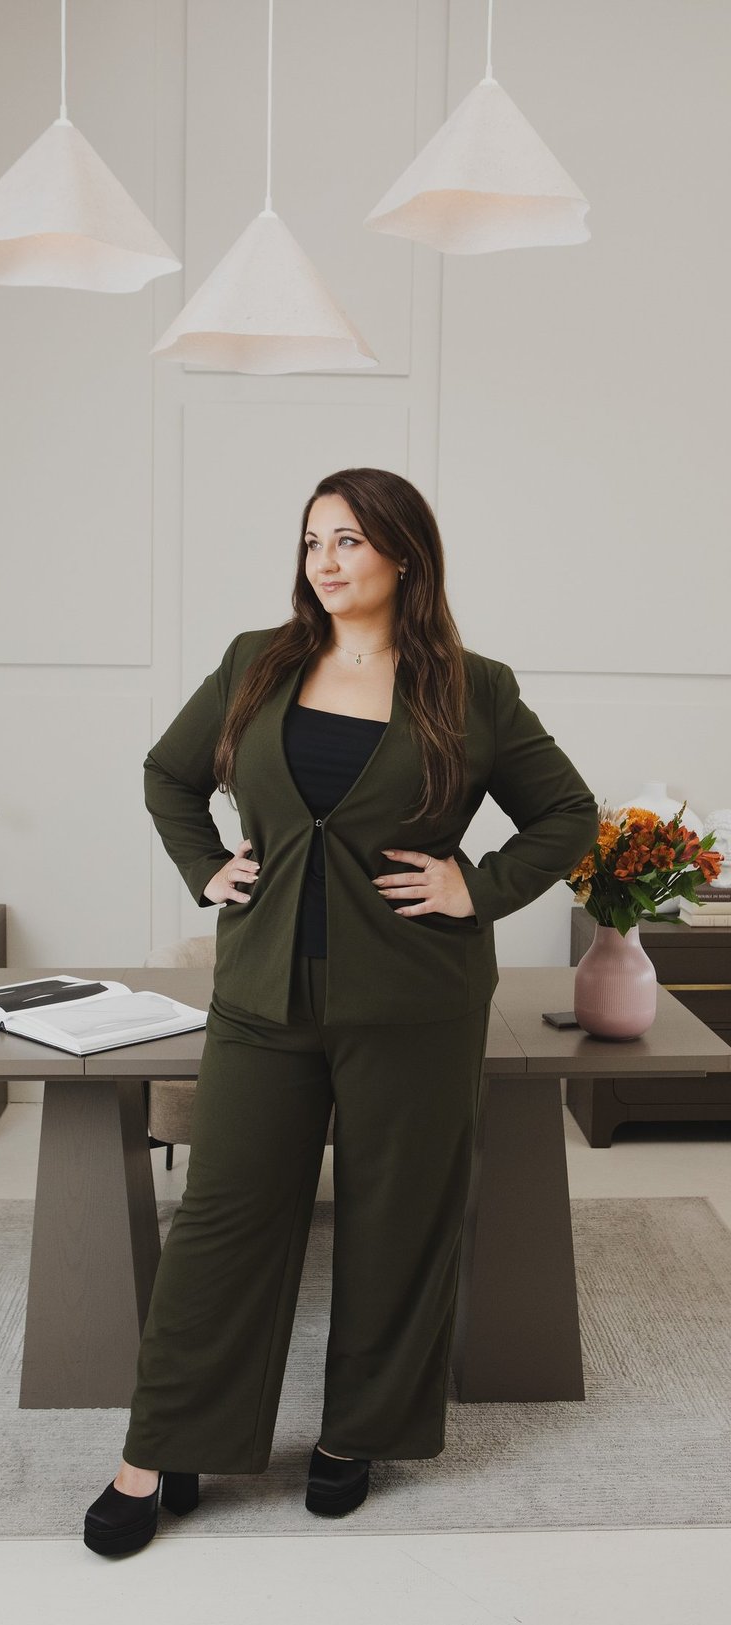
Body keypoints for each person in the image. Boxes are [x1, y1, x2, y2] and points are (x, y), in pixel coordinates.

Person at [84, 467, 599, 1556]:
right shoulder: (254, 663)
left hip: (417, 997)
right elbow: (169, 776)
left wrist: (479, 883)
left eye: (350, 539)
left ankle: (354, 1433)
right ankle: (161, 1443)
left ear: (404, 555)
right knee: (224, 1219)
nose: (325, 558)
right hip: (265, 995)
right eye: (313, 538)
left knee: (397, 1216)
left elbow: (567, 813)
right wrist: (205, 867)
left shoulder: (475, 687)